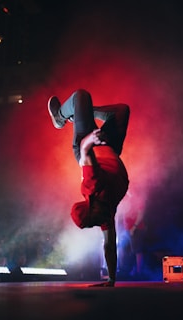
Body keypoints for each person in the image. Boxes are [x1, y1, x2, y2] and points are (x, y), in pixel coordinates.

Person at [47, 89, 130, 287]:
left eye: (99, 217)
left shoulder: (92, 187)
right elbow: (109, 245)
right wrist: (111, 279)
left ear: (92, 207)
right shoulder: (106, 215)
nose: (104, 219)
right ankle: (78, 112)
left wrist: (91, 140)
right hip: (110, 146)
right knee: (121, 111)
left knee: (81, 96)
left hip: (88, 143)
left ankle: (59, 118)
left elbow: (85, 153)